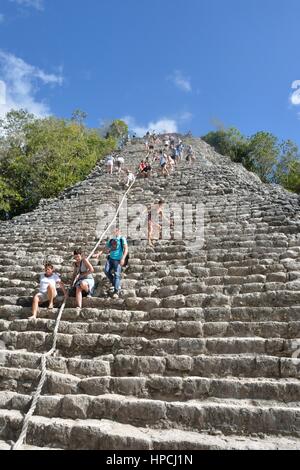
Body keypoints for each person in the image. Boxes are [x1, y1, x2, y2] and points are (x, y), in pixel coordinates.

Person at [93, 228, 128, 298]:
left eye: (116, 230)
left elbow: (126, 249)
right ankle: (115, 284)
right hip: (110, 259)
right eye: (114, 231)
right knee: (106, 271)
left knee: (117, 274)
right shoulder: (111, 239)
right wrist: (98, 254)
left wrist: (123, 258)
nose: (114, 232)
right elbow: (105, 247)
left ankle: (116, 291)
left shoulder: (122, 239)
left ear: (119, 231)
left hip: (118, 260)